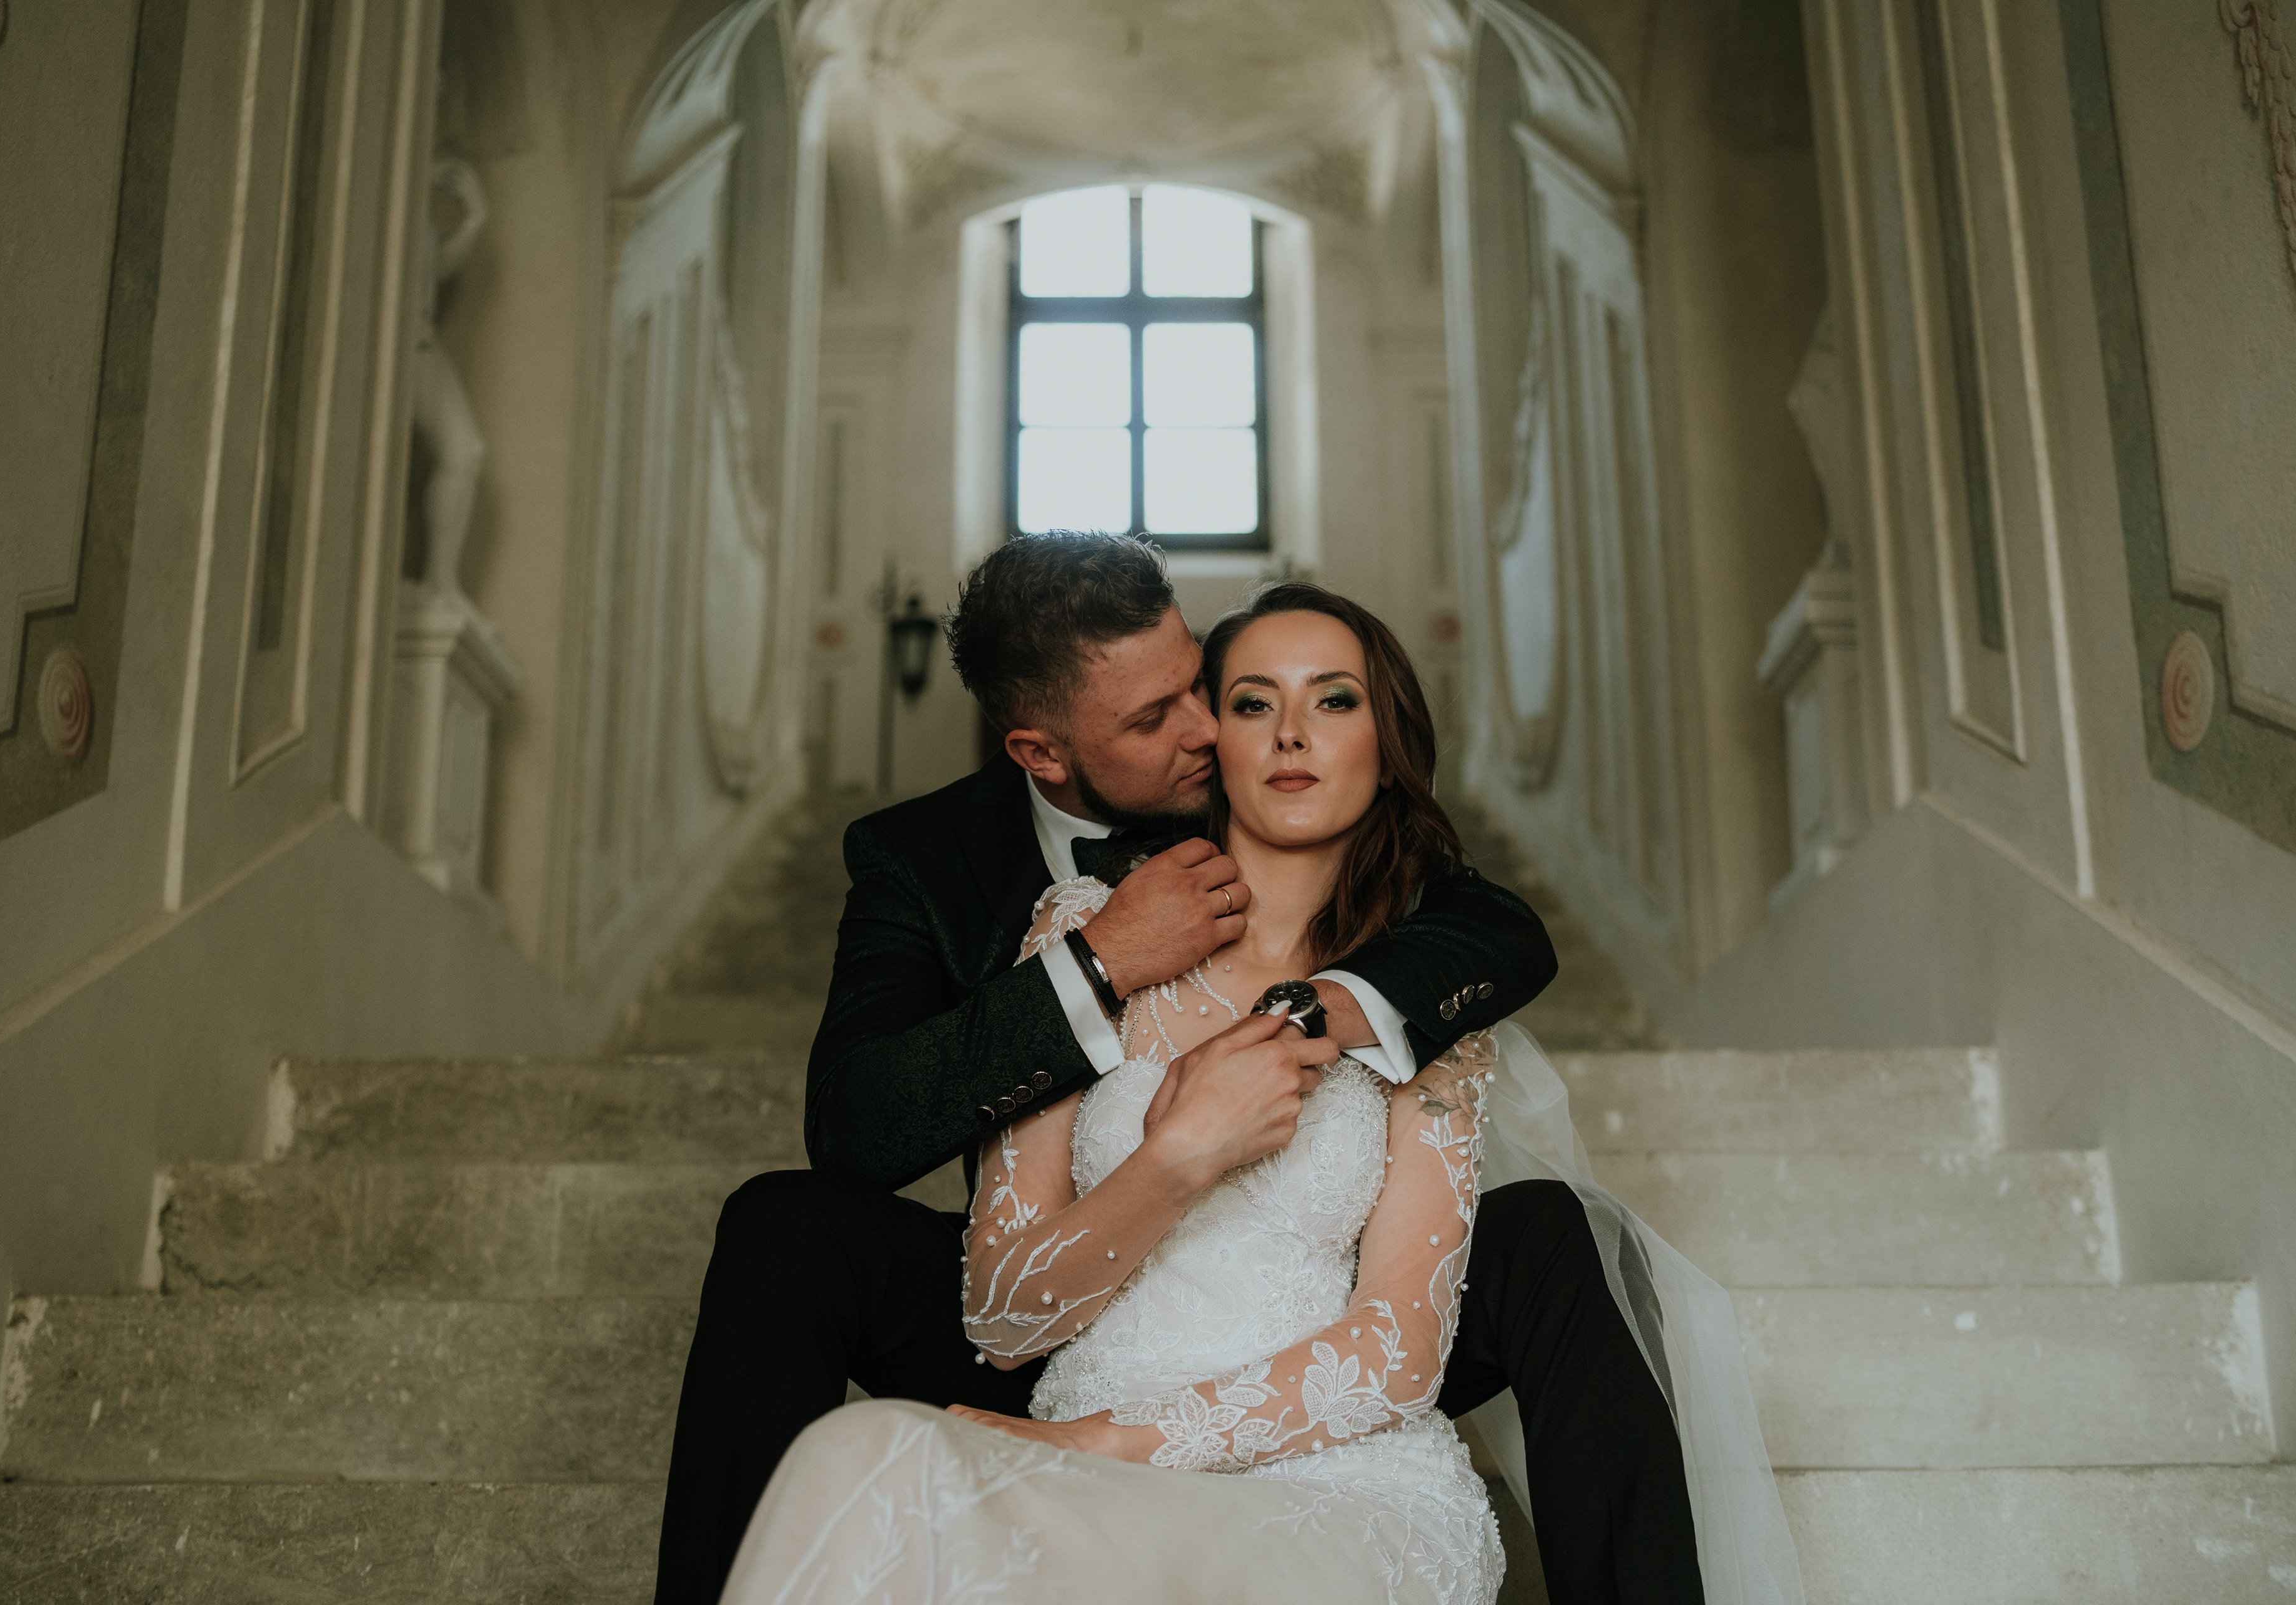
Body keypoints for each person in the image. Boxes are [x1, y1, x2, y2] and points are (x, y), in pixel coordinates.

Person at [654, 537, 1704, 1602]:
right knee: (783, 1236)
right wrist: (1099, 969)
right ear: (1041, 753)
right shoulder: (931, 863)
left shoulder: (1340, 842)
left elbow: (1496, 930)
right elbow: (857, 1127)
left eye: (1204, 684)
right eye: (1170, 715)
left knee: (1569, 1234)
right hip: (1065, 1297)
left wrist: (1311, 1015)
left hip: (1327, 1315)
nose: (1212, 731)